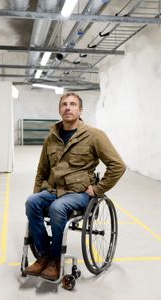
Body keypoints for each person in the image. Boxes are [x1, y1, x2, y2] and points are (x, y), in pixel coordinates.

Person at [25, 92, 126, 281]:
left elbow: (118, 165)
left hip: (78, 192)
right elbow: (42, 170)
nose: (68, 108)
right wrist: (38, 194)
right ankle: (45, 254)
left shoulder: (95, 136)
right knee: (32, 202)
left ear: (80, 110)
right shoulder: (51, 138)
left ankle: (55, 260)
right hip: (54, 189)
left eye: (72, 104)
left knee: (57, 208)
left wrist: (97, 189)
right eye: (64, 104)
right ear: (59, 109)